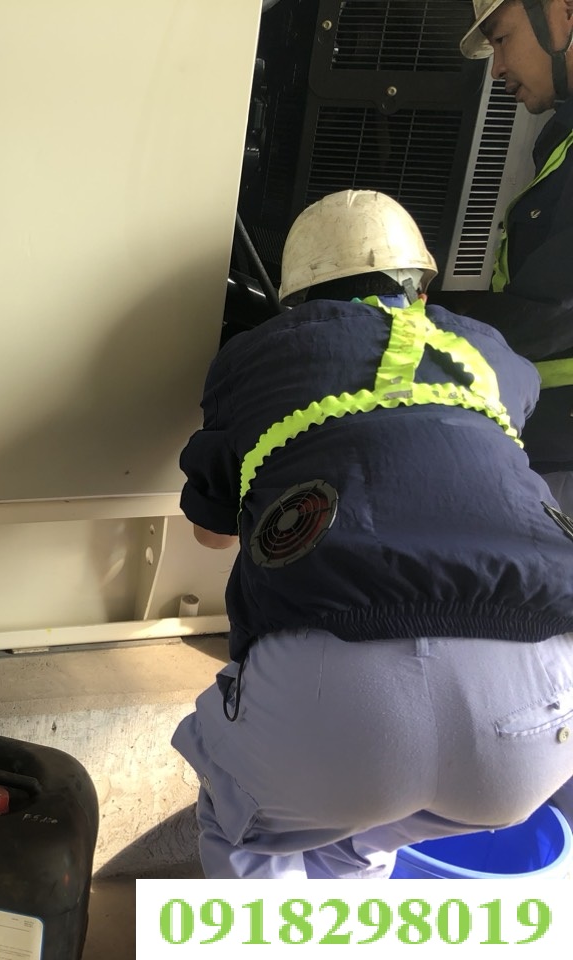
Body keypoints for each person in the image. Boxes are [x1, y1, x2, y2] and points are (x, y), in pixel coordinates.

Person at [170, 189, 573, 879]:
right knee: (362, 835)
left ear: (296, 298)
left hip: (337, 700)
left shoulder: (256, 355)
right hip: (537, 719)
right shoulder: (493, 355)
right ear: (422, 287)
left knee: (249, 825)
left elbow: (213, 537)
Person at [433, 0, 572, 512]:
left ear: (564, 11)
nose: (498, 68)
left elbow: (551, 313)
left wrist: (418, 323)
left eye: (502, 38)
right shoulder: (562, 137)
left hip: (559, 453)